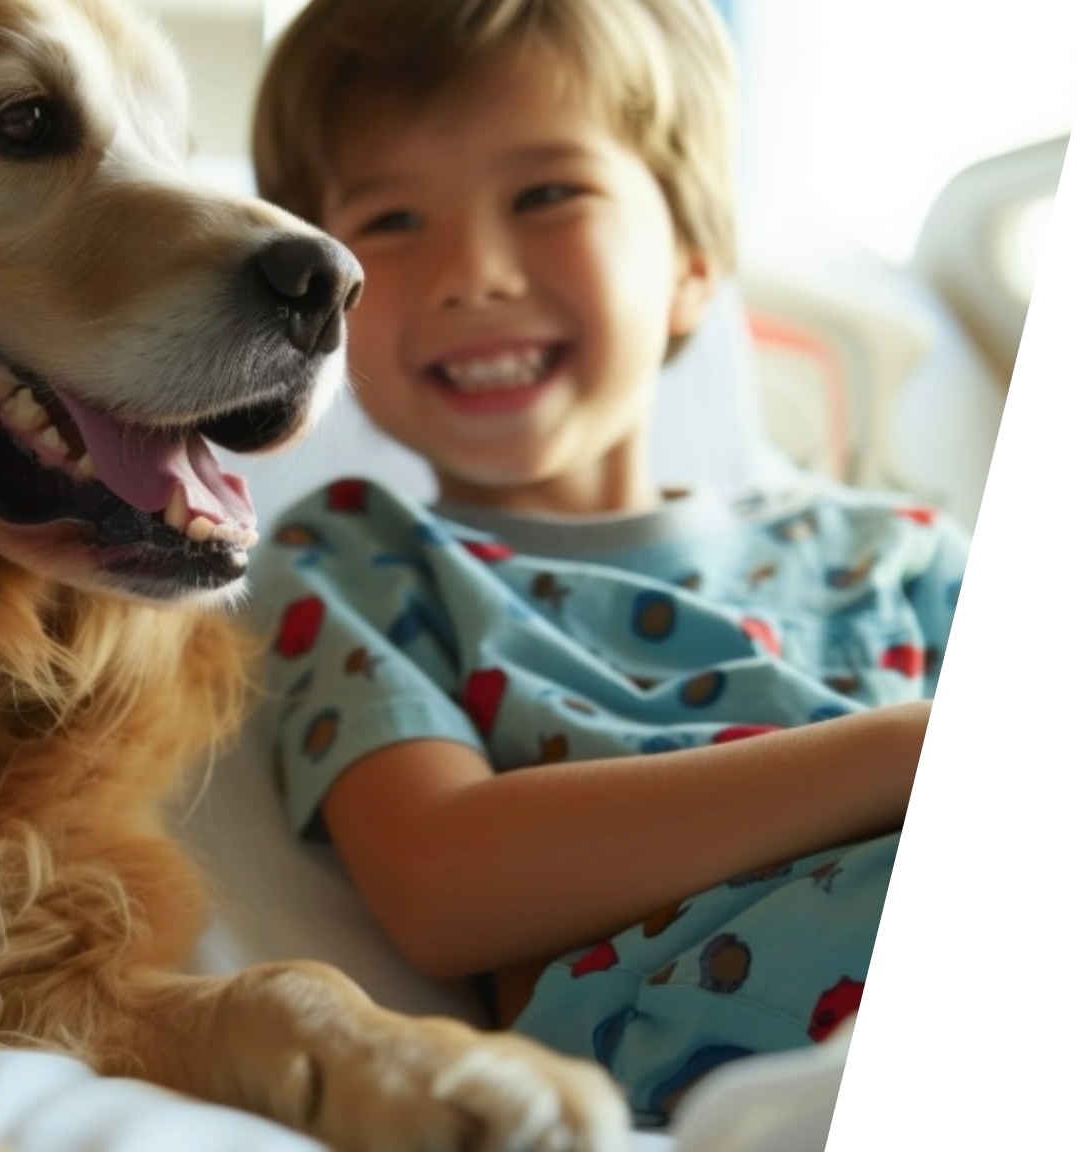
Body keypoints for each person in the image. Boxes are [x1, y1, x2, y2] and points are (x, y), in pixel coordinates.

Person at [243, 0, 965, 1126]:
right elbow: (442, 882)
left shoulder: (895, 553)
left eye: (544, 195)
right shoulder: (356, 562)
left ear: (690, 262)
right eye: (390, 219)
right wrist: (892, 753)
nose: (471, 272)